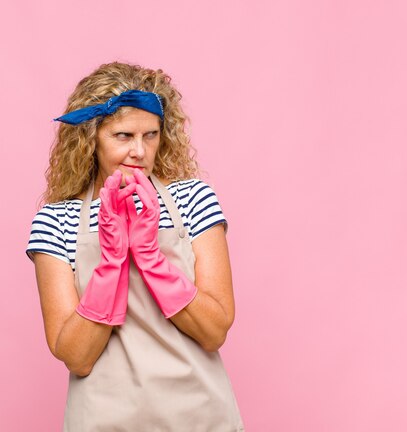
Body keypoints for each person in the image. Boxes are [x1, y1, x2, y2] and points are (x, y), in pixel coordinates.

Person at [26, 62, 245, 431]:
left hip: (200, 416)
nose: (140, 152)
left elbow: (214, 332)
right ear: (91, 138)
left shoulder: (193, 200)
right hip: (103, 421)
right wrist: (112, 262)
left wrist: (149, 257)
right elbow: (76, 357)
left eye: (151, 135)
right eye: (123, 136)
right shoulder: (55, 222)